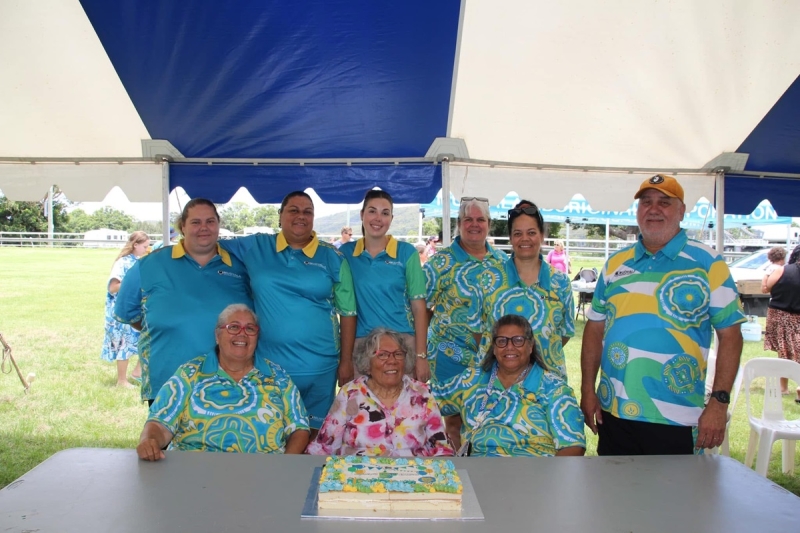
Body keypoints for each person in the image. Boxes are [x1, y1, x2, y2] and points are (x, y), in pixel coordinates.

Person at [580, 174, 745, 455]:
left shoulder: (708, 263)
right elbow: (595, 328)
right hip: (615, 411)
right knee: (614, 496)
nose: (653, 209)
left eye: (664, 202)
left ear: (681, 211)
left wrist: (719, 402)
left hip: (677, 415)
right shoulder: (615, 263)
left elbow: (730, 335)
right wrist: (587, 390)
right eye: (646, 202)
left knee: (676, 497)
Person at [221, 191, 356, 432]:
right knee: (272, 433)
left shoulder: (332, 256)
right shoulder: (257, 246)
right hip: (271, 365)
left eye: (307, 212)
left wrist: (345, 361)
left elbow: (348, 313)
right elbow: (207, 243)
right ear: (280, 215)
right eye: (293, 210)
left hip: (321, 366)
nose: (300, 216)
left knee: (317, 436)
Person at [115, 198, 253, 404]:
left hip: (228, 383)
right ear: (182, 227)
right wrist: (166, 326)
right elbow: (127, 313)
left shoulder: (240, 267)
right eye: (196, 222)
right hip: (168, 382)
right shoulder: (149, 264)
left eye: (210, 221)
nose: (204, 228)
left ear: (218, 225)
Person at [136, 304, 309, 460]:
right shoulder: (190, 373)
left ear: (257, 337)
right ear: (217, 335)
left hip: (264, 474)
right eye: (233, 327)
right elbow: (160, 423)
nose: (242, 333)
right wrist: (149, 440)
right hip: (194, 474)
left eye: (250, 328)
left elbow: (299, 428)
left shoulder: (277, 376)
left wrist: (285, 465)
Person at [430, 314, 585, 457]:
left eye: (518, 340)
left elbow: (572, 447)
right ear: (494, 348)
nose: (509, 347)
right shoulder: (472, 379)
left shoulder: (554, 388)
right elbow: (426, 400)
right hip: (477, 471)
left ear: (530, 346)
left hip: (534, 477)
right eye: (502, 341)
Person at [306, 327, 452, 457]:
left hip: (414, 480)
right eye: (382, 355)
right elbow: (324, 447)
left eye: (398, 354)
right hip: (358, 480)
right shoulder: (350, 394)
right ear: (367, 363)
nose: (392, 360)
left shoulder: (422, 394)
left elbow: (441, 450)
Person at [339, 190, 429, 381]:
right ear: (362, 215)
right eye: (372, 211)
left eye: (385, 213)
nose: (378, 218)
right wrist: (345, 360)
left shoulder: (407, 253)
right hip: (362, 347)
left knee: (406, 409)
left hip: (402, 346)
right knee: (361, 409)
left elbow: (419, 307)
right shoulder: (345, 254)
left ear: (391, 218)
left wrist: (421, 357)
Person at [480, 201, 574, 380]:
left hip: (547, 383)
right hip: (497, 384)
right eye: (518, 233)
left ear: (542, 236)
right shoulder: (488, 279)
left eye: (531, 233)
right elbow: (479, 331)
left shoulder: (560, 282)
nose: (525, 239)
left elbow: (565, 334)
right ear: (510, 238)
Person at [424, 197, 507, 382]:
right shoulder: (439, 263)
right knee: (451, 412)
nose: (474, 225)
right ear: (459, 224)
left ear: (489, 224)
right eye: (468, 219)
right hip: (449, 361)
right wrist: (421, 353)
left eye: (480, 220)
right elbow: (420, 309)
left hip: (493, 363)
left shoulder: (503, 262)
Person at [101, 231, 149, 388]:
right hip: (120, 310)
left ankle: (137, 372)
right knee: (124, 343)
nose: (147, 250)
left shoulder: (139, 261)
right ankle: (121, 380)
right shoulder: (123, 263)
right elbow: (113, 287)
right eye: (145, 246)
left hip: (136, 309)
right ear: (135, 245)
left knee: (145, 339)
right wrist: (133, 285)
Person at [763, 244, 800, 400]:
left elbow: (766, 287)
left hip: (778, 314)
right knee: (793, 351)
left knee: (784, 352)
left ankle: (783, 387)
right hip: (792, 316)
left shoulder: (781, 270)